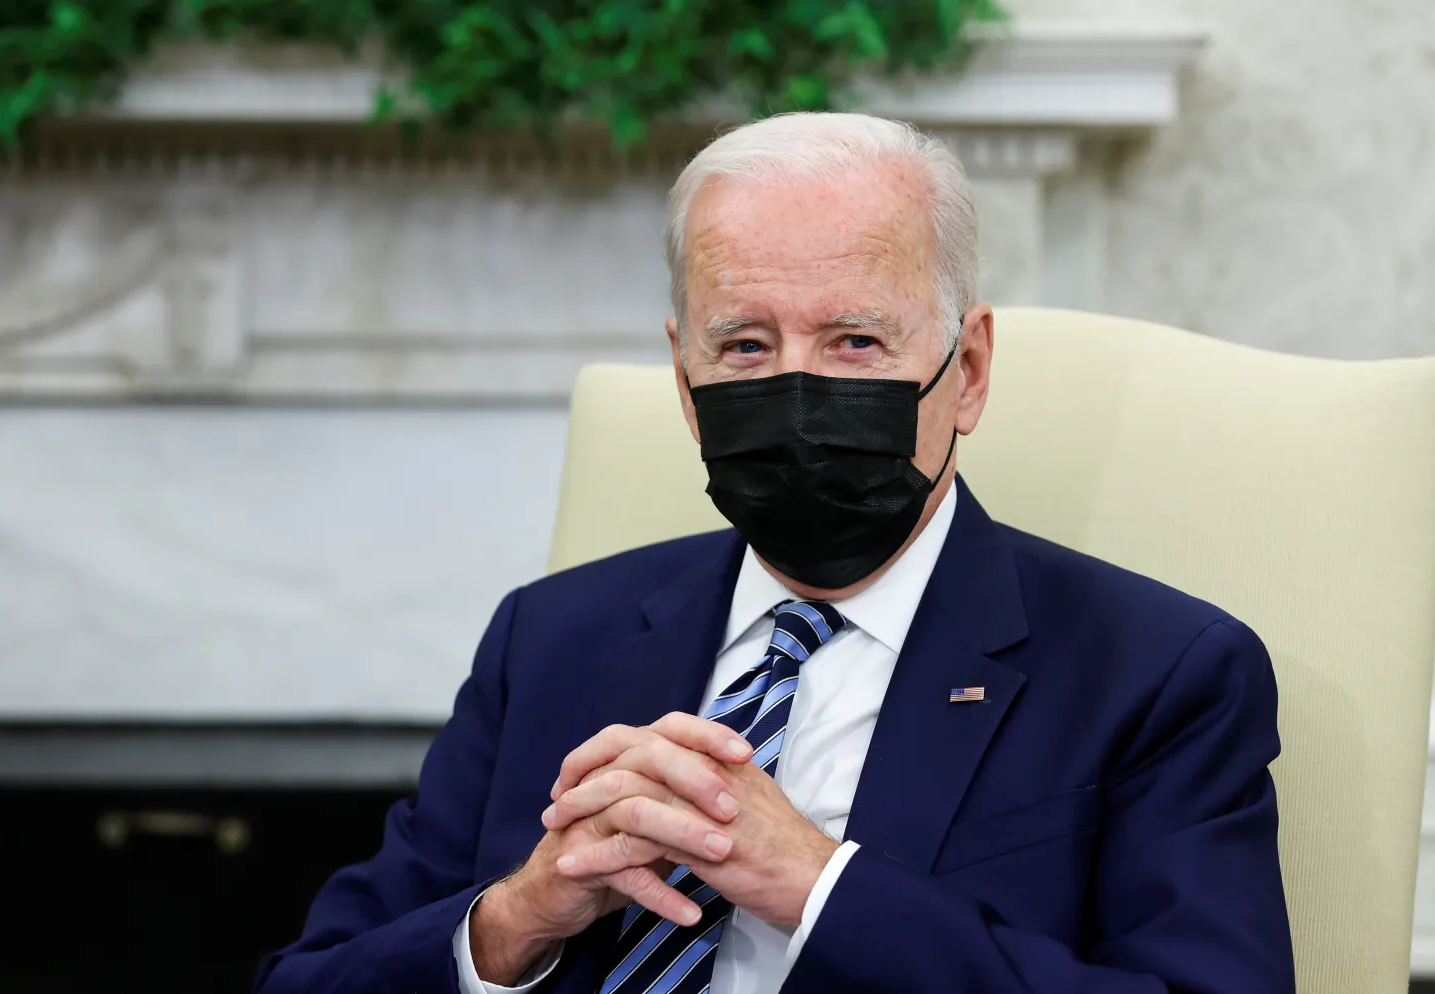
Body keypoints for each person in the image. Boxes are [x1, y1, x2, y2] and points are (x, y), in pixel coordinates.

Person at [255, 112, 1294, 994]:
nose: (797, 392)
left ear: (966, 369)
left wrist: (816, 884)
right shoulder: (553, 636)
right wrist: (519, 917)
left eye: (854, 342)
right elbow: (310, 976)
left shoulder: (1159, 672)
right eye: (745, 346)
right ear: (683, 374)